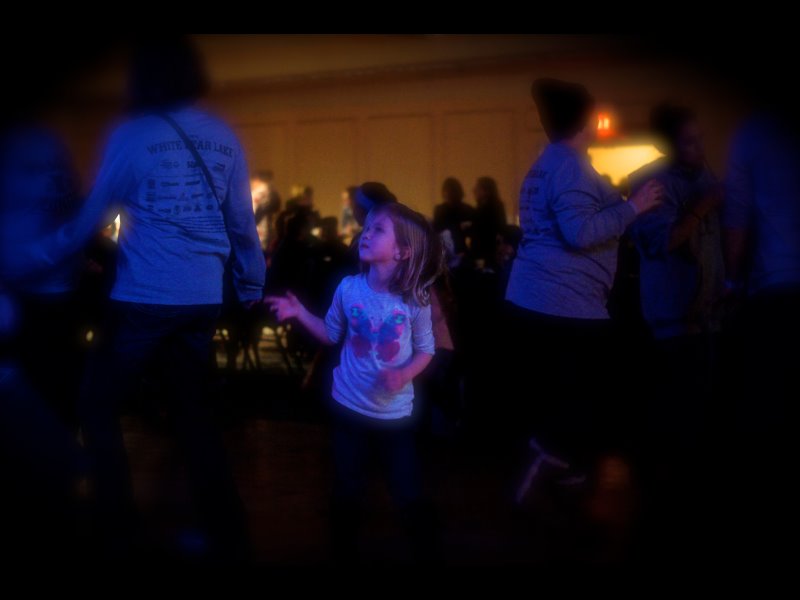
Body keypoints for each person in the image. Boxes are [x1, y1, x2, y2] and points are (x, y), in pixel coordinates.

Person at [8, 37, 266, 561]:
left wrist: (34, 256)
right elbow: (241, 221)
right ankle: (227, 532)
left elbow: (90, 218)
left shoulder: (133, 134)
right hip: (202, 298)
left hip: (143, 298)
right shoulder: (222, 136)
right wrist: (251, 282)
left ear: (143, 78)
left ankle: (117, 526)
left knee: (96, 405)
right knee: (194, 414)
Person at [505, 78, 663, 493]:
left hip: (540, 296)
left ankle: (561, 460)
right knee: (585, 391)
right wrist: (634, 206)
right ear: (587, 119)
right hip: (564, 299)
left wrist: (623, 204)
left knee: (568, 390)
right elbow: (580, 232)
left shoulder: (549, 162)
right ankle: (552, 457)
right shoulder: (571, 166)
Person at [265, 201, 443, 562]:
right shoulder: (349, 288)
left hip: (394, 415)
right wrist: (300, 313)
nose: (366, 233)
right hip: (348, 407)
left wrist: (404, 373)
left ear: (402, 251)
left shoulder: (415, 299)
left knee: (406, 490)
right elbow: (331, 334)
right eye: (367, 227)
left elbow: (427, 349)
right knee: (346, 488)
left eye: (378, 229)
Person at [626, 104, 724, 559]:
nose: (699, 148)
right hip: (671, 320)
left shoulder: (704, 177)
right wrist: (704, 205)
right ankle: (662, 520)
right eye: (689, 141)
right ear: (668, 145)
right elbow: (663, 241)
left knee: (699, 418)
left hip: (706, 316)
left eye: (700, 139)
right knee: (673, 421)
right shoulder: (653, 185)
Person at [470, 176, 507, 267]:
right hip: (483, 252)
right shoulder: (481, 208)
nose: (474, 190)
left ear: (487, 191)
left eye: (478, 188)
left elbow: (487, 232)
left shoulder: (492, 208)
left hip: (487, 253)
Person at [433, 177, 475, 257]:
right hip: (452, 250)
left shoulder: (440, 210)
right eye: (446, 191)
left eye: (451, 191)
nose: (448, 194)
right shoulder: (467, 209)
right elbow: (437, 230)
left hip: (456, 251)